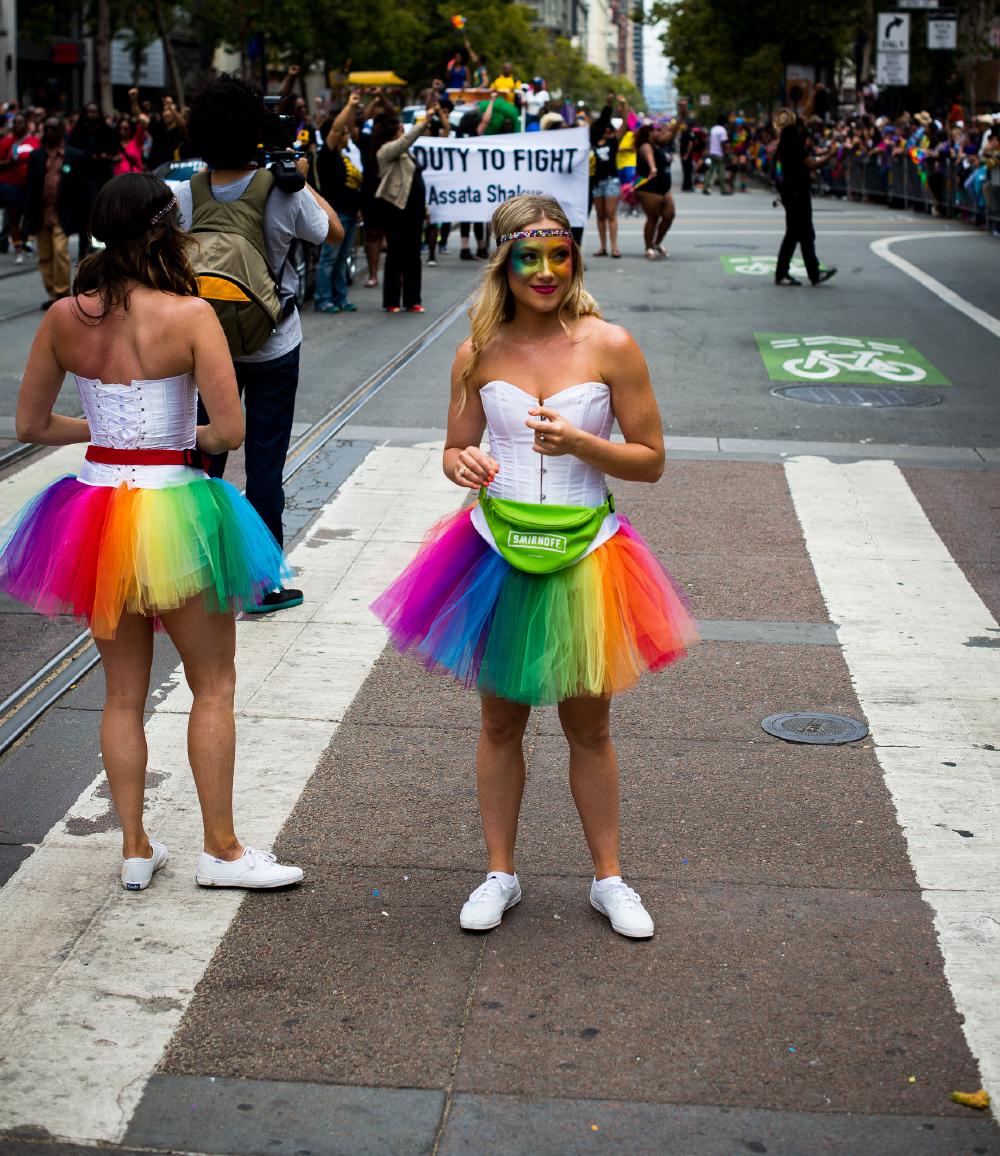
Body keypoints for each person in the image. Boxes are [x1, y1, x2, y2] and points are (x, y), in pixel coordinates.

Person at [372, 194, 698, 938]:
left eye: (558, 254)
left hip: (587, 552)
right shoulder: (476, 350)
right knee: (499, 719)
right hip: (495, 551)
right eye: (529, 256)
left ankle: (609, 880)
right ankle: (500, 873)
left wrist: (583, 445)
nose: (546, 271)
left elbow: (650, 460)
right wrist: (464, 463)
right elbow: (454, 446)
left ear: (574, 255)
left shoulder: (611, 345)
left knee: (589, 722)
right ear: (505, 264)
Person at [0, 172, 304, 892]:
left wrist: (108, 432)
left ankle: (135, 847)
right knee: (214, 686)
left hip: (95, 512)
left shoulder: (63, 317)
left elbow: (32, 426)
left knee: (121, 695)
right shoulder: (191, 315)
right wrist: (166, 436)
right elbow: (228, 430)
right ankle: (221, 851)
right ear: (168, 230)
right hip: (175, 505)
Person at [180, 74, 341, 610]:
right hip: (273, 342)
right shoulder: (280, 192)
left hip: (207, 346)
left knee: (206, 457)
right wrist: (297, 174)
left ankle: (198, 570)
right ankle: (263, 582)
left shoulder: (187, 194)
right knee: (266, 464)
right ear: (256, 128)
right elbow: (334, 231)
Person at [374, 102, 435, 313]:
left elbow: (414, 180)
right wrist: (424, 122)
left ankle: (412, 300)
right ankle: (391, 301)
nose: (404, 132)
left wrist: (425, 208)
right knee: (395, 254)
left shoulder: (406, 154)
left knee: (413, 254)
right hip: (395, 208)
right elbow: (406, 141)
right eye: (401, 129)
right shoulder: (386, 151)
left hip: (414, 210)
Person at [23, 115, 87, 309]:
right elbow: (30, 187)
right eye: (47, 128)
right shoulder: (36, 156)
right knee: (44, 255)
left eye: (53, 128)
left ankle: (61, 293)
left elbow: (81, 187)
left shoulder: (74, 156)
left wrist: (82, 214)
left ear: (61, 131)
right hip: (41, 212)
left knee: (60, 252)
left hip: (62, 213)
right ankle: (52, 293)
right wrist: (27, 215)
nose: (49, 132)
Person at [773, 108, 837, 287]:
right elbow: (811, 164)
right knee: (795, 234)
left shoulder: (785, 141)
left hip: (792, 193)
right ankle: (782, 273)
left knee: (805, 233)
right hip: (796, 194)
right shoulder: (793, 142)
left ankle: (814, 272)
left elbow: (807, 158)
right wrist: (831, 155)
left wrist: (824, 154)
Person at [315, 92, 363, 313]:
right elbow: (335, 128)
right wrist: (350, 105)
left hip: (350, 213)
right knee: (329, 258)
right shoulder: (327, 155)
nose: (346, 135)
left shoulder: (344, 157)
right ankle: (323, 298)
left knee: (342, 258)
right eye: (344, 133)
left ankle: (340, 297)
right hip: (336, 214)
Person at [590, 95, 628, 258]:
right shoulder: (591, 143)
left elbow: (625, 125)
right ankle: (603, 246)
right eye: (604, 128)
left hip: (611, 181)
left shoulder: (613, 142)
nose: (606, 130)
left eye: (608, 128)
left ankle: (614, 247)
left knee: (611, 214)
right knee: (600, 215)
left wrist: (623, 106)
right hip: (597, 182)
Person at [0, 112, 40, 261]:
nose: (18, 125)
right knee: (13, 218)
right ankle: (18, 250)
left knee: (31, 216)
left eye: (21, 122)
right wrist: (9, 162)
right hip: (11, 186)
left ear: (26, 124)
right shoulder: (5, 142)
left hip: (30, 186)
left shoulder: (34, 142)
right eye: (15, 122)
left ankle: (28, 241)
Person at [635, 122, 675, 260]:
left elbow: (672, 132)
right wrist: (653, 168)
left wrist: (681, 116)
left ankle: (657, 243)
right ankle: (648, 247)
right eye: (658, 130)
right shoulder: (646, 146)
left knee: (669, 216)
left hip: (665, 188)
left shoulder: (662, 146)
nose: (661, 132)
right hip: (649, 188)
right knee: (653, 218)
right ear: (650, 133)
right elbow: (649, 157)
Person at [703, 113, 730, 195]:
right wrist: (725, 152)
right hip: (719, 153)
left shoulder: (713, 129)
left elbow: (709, 141)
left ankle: (705, 188)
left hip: (712, 152)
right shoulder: (723, 130)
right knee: (721, 171)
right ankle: (724, 189)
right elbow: (723, 143)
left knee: (710, 171)